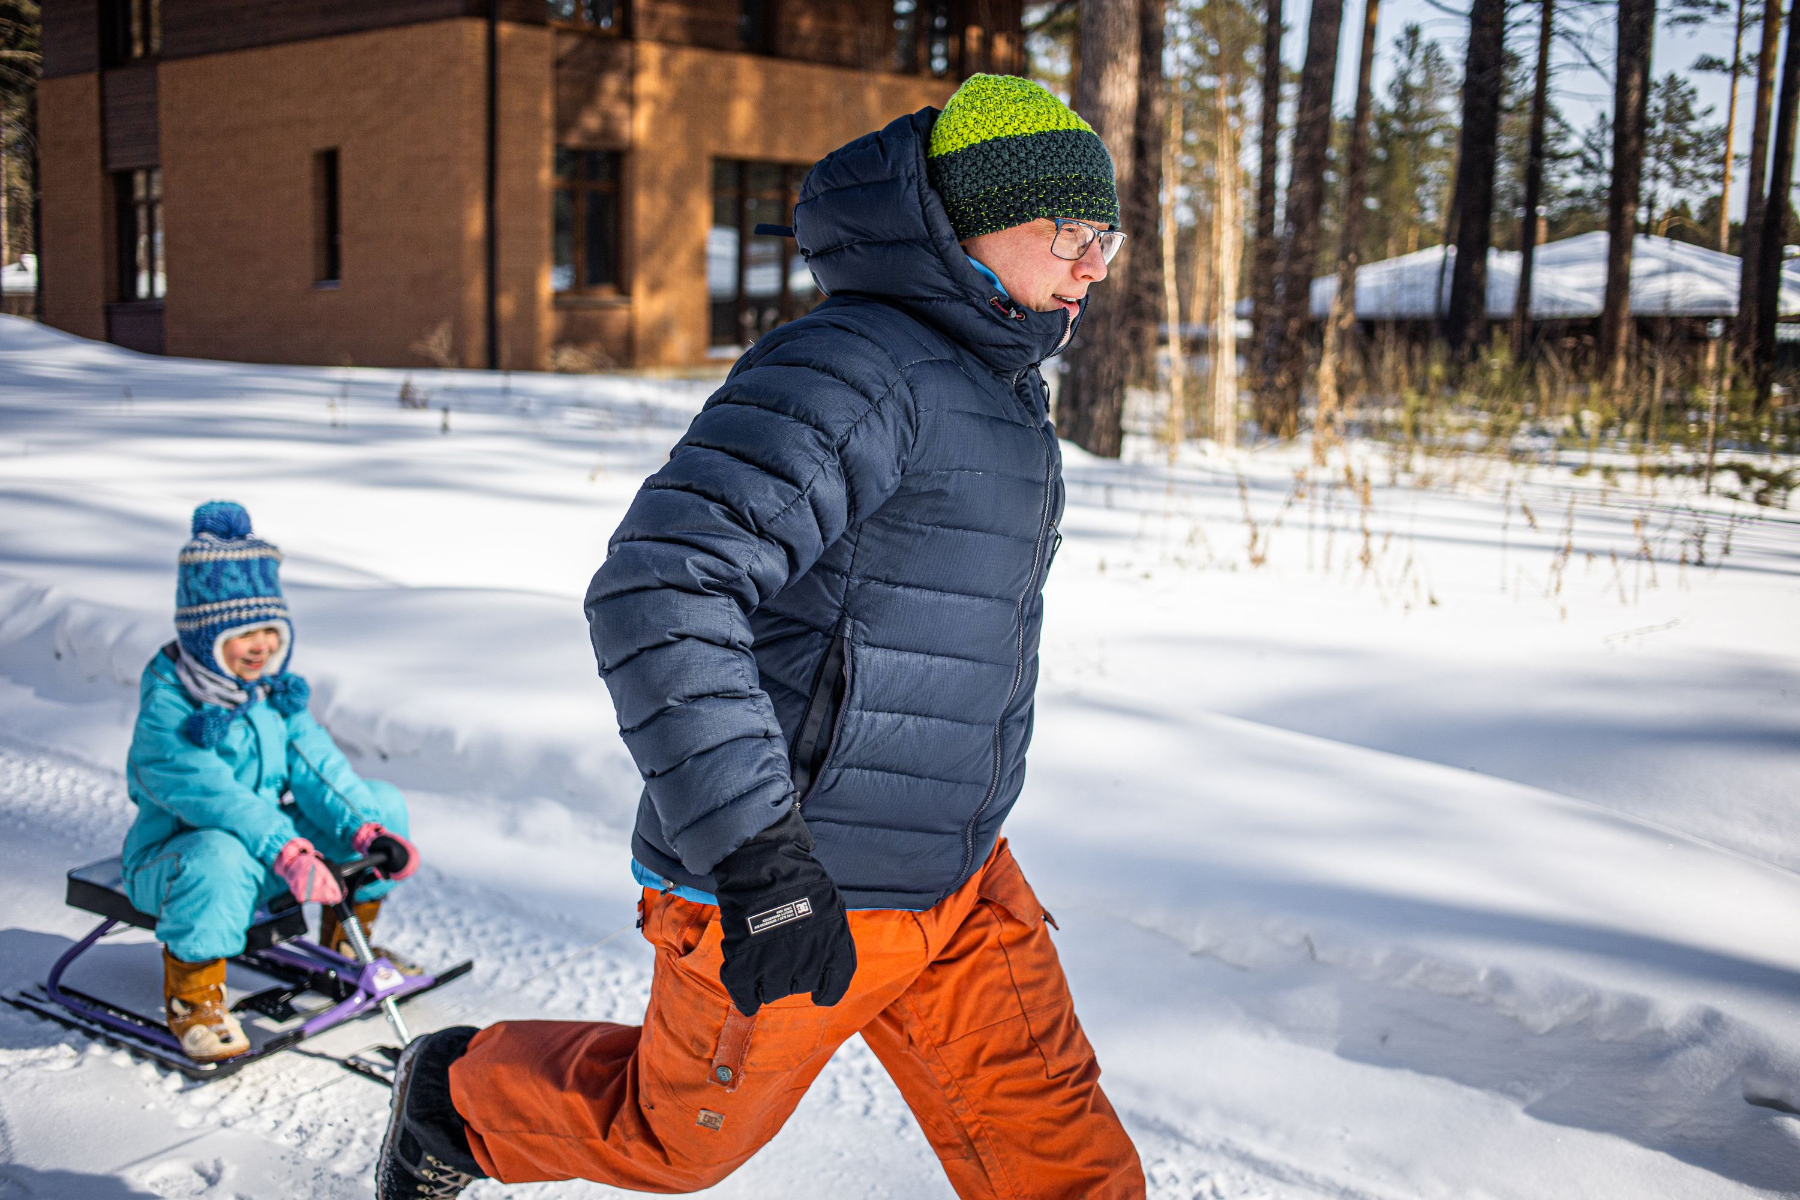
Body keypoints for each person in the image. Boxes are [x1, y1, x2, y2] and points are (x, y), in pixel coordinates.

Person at [376, 74, 1143, 1198]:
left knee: (1066, 1163)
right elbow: (663, 585)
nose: (1093, 268)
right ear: (970, 224)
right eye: (1070, 233)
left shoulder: (999, 384)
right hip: (805, 870)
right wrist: (761, 858)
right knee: (676, 1142)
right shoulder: (852, 369)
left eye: (1106, 241)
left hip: (962, 876)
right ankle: (460, 1101)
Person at [123, 500, 420, 1062]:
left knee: (379, 801)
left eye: (269, 629)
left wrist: (366, 831)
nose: (261, 645)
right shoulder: (168, 708)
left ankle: (349, 946)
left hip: (270, 855)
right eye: (243, 633)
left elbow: (317, 767)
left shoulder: (268, 693)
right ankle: (194, 999)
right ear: (205, 636)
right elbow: (217, 796)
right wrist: (286, 848)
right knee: (219, 852)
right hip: (175, 864)